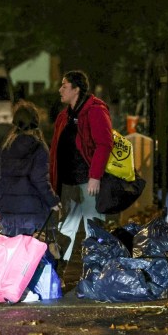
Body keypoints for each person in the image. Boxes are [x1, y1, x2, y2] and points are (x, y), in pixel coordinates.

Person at [49, 70, 113, 263]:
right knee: (66, 226)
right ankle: (58, 271)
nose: (60, 89)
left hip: (88, 181)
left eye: (64, 86)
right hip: (69, 182)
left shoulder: (95, 111)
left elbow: (104, 144)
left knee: (93, 227)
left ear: (76, 89)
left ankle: (95, 271)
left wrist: (95, 176)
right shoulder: (64, 116)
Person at [0, 100, 61, 237]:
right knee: (31, 256)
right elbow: (40, 180)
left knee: (13, 255)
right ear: (35, 122)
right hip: (32, 215)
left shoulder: (6, 148)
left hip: (9, 215)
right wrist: (53, 202)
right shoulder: (39, 148)